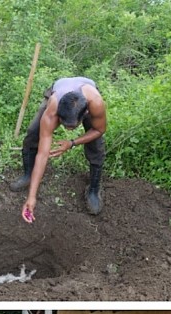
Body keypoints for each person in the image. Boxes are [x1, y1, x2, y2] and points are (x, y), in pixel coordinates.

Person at [11, 77, 106, 220]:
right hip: (58, 92)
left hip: (85, 96)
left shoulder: (95, 103)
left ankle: (93, 189)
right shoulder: (52, 110)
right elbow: (43, 155)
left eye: (72, 127)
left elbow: (99, 130)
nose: (67, 129)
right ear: (58, 116)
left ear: (84, 115)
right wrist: (31, 198)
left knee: (96, 148)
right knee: (33, 133)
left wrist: (72, 142)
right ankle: (28, 175)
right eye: (64, 124)